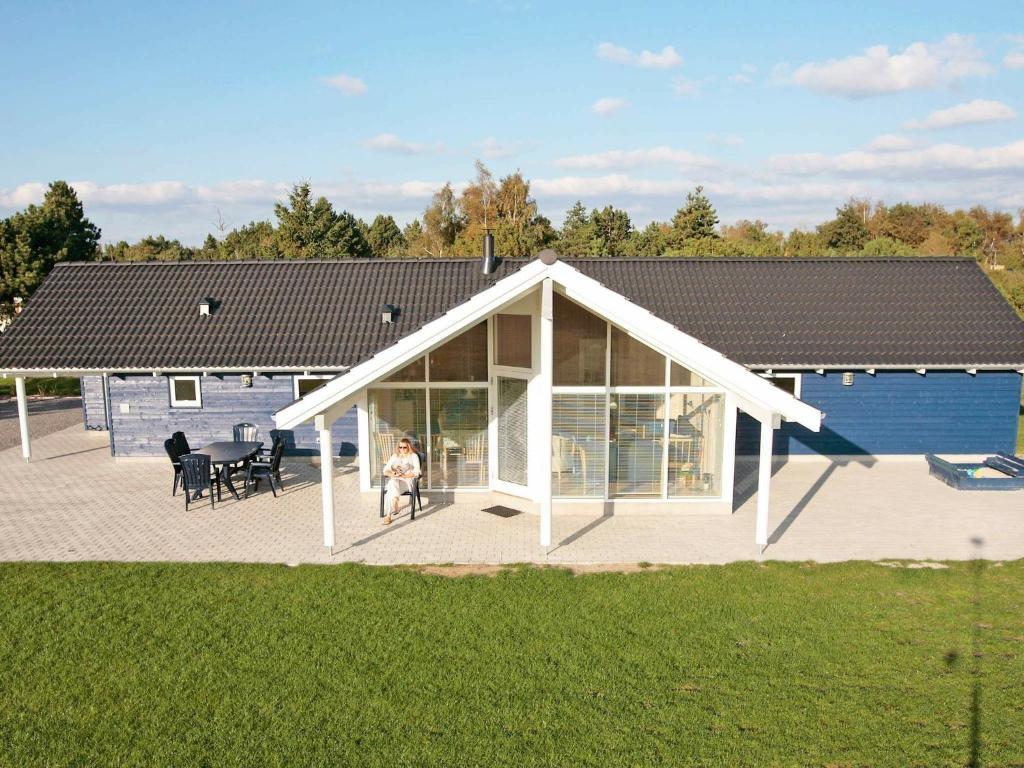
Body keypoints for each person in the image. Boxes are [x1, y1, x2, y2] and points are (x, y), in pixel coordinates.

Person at [382, 437, 421, 524]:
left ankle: (392, 508)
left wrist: (405, 475)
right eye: (400, 447)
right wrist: (393, 474)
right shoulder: (395, 456)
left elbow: (417, 472)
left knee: (391, 489)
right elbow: (385, 470)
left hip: (407, 481)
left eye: (404, 447)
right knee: (392, 483)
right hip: (396, 479)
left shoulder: (413, 456)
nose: (402, 449)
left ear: (409, 447)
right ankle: (389, 515)